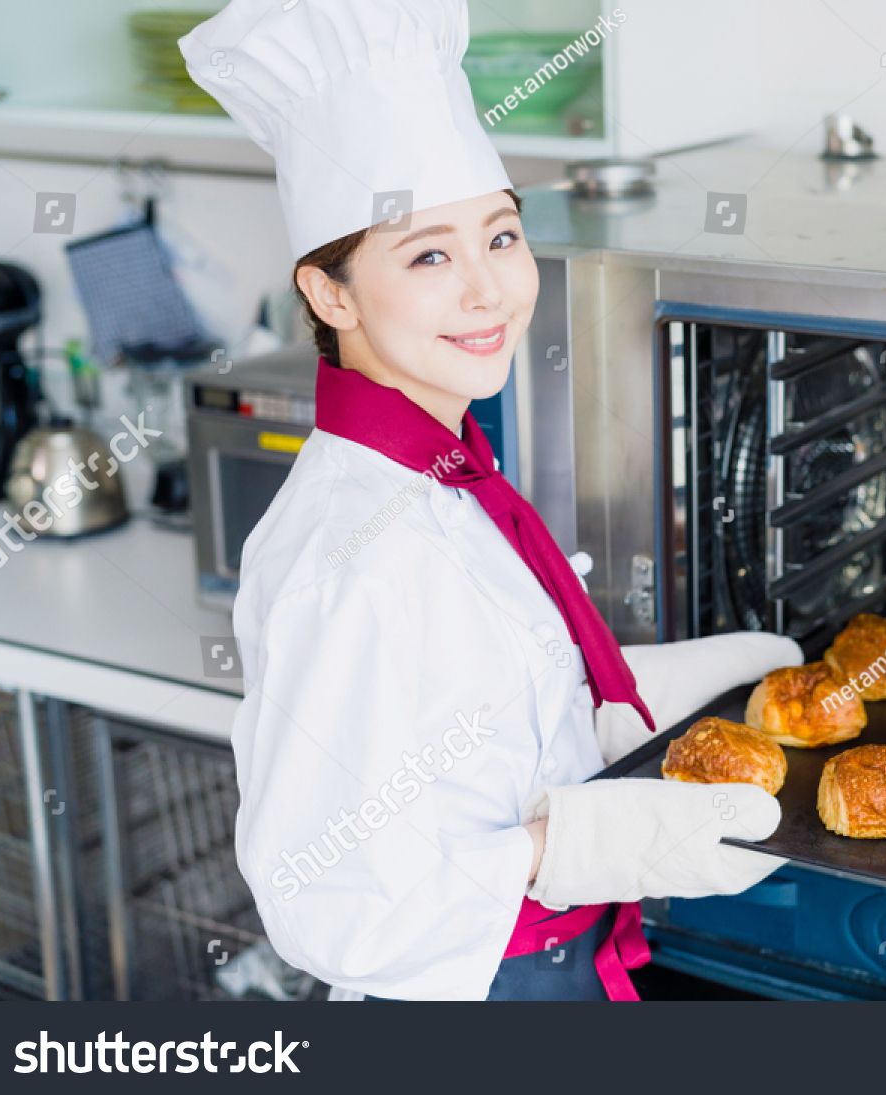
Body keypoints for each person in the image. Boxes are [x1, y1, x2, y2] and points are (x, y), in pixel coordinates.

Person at [181, 0, 796, 1001]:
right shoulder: (352, 553)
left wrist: (642, 696)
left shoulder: (447, 471)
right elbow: (326, 902)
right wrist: (560, 847)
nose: (490, 292)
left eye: (502, 237)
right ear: (331, 295)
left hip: (566, 972)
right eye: (428, 255)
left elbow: (469, 703)